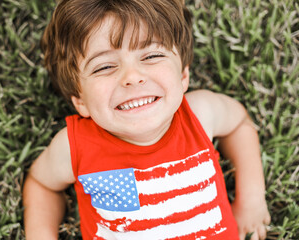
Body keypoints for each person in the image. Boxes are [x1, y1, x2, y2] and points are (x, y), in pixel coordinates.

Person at [22, 0, 271, 239]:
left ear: (183, 74)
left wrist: (250, 199)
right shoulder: (74, 147)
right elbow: (42, 184)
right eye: (104, 67)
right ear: (81, 100)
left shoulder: (200, 113)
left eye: (151, 56)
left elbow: (239, 123)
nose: (132, 76)